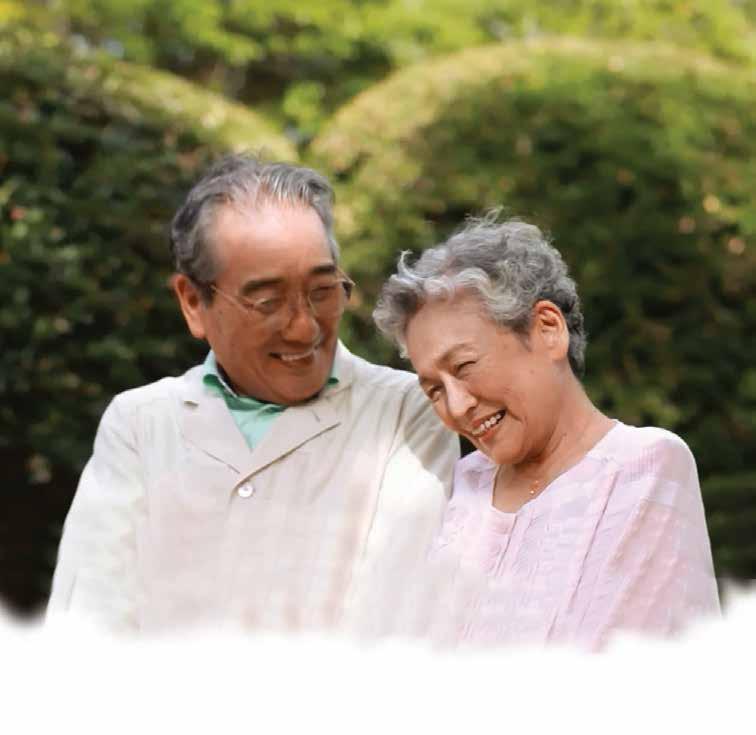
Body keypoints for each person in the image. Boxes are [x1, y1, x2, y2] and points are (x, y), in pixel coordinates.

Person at [47, 154, 459, 634]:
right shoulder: (141, 424)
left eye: (322, 291)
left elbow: (396, 619)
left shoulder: (406, 411)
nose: (304, 329)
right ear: (193, 302)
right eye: (267, 302)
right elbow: (87, 625)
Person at [373, 213, 721, 650]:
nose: (457, 406)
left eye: (464, 366)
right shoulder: (457, 486)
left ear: (547, 329)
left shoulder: (644, 467)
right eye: (434, 389)